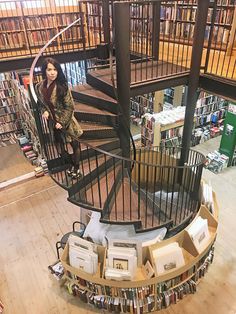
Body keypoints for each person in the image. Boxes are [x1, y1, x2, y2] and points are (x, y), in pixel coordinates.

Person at [36, 57, 83, 179]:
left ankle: (76, 168)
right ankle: (72, 165)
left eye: (55, 70)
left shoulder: (62, 86)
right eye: (49, 70)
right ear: (44, 71)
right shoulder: (39, 87)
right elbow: (41, 104)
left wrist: (61, 122)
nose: (52, 73)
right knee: (61, 150)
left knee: (75, 146)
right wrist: (44, 111)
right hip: (53, 123)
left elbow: (70, 107)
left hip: (67, 123)